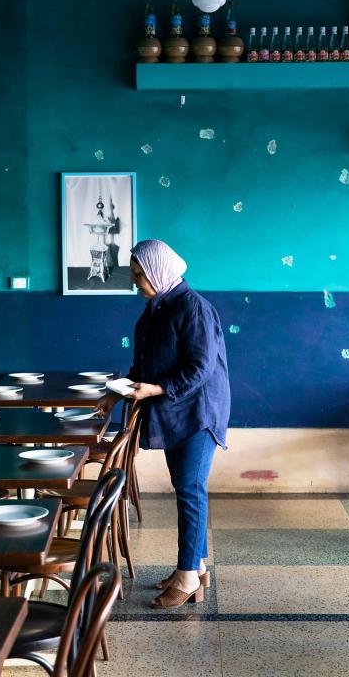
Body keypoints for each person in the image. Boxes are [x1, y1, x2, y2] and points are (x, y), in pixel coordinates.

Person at [96, 239, 230, 609]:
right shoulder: (157, 308)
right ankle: (195, 567)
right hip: (175, 410)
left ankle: (188, 575)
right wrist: (118, 393)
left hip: (198, 412)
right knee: (185, 487)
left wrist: (156, 388)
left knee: (190, 489)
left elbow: (200, 368)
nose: (136, 282)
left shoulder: (193, 309)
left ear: (158, 271)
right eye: (135, 275)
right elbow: (146, 361)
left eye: (140, 274)